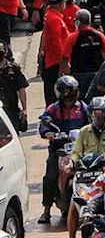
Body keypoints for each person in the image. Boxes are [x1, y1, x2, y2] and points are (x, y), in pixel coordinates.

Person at [37, 74, 85, 224]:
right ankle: (46, 210)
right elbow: (43, 124)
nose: (69, 97)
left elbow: (91, 122)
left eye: (72, 92)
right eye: (67, 93)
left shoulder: (83, 107)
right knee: (50, 175)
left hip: (79, 149)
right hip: (59, 149)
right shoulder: (53, 109)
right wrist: (48, 132)